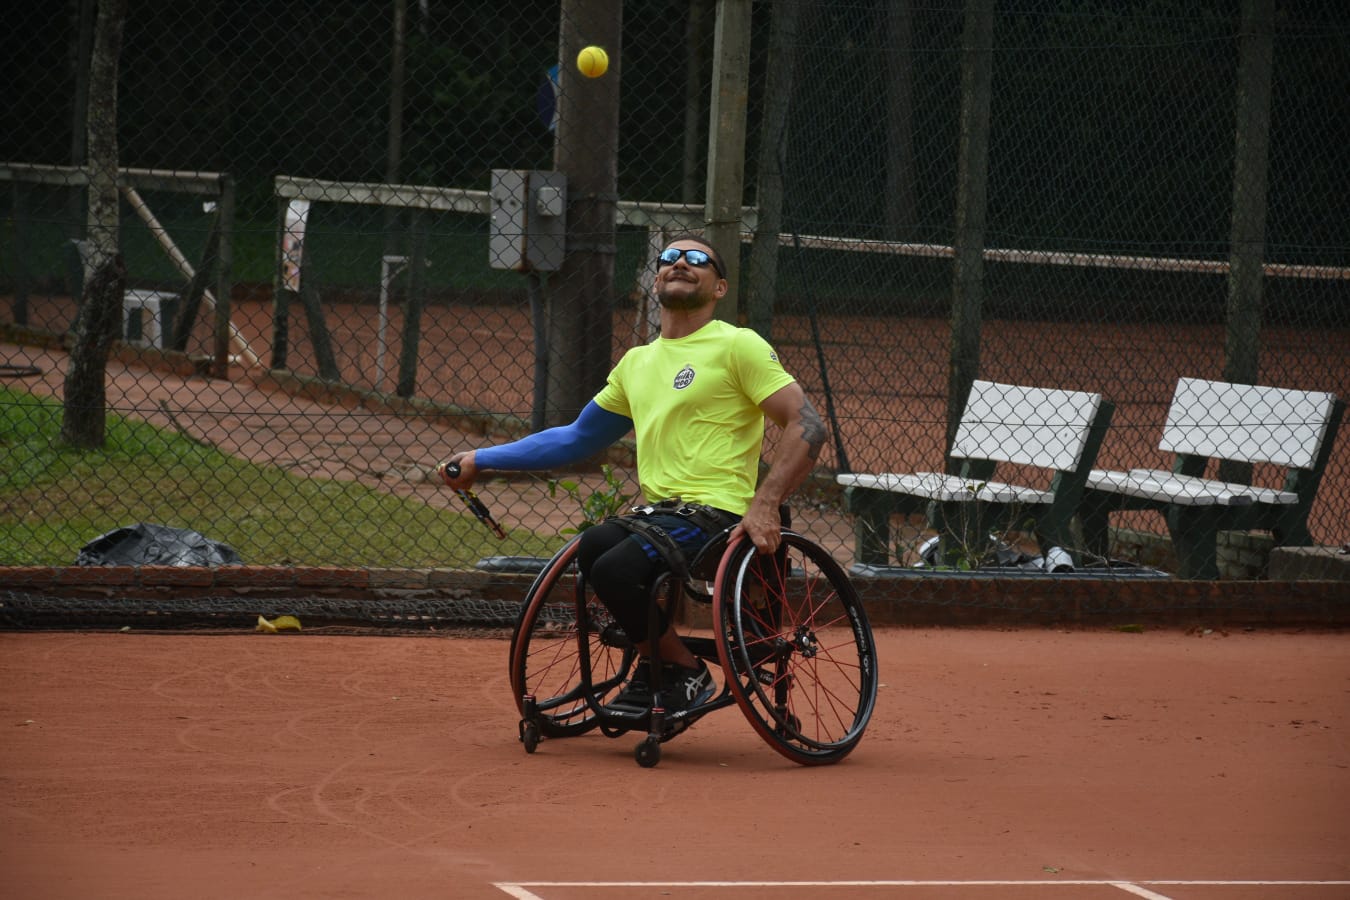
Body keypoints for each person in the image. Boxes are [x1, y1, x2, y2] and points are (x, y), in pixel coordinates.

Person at [439, 234, 826, 714]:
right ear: (655, 280)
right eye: (669, 257)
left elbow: (808, 425)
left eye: (697, 259)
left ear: (720, 287)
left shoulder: (737, 345)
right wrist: (481, 458)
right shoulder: (637, 363)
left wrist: (765, 504)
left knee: (616, 568)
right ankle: (658, 662)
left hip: (717, 513)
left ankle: (683, 670)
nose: (680, 262)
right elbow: (576, 437)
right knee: (595, 547)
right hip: (660, 515)